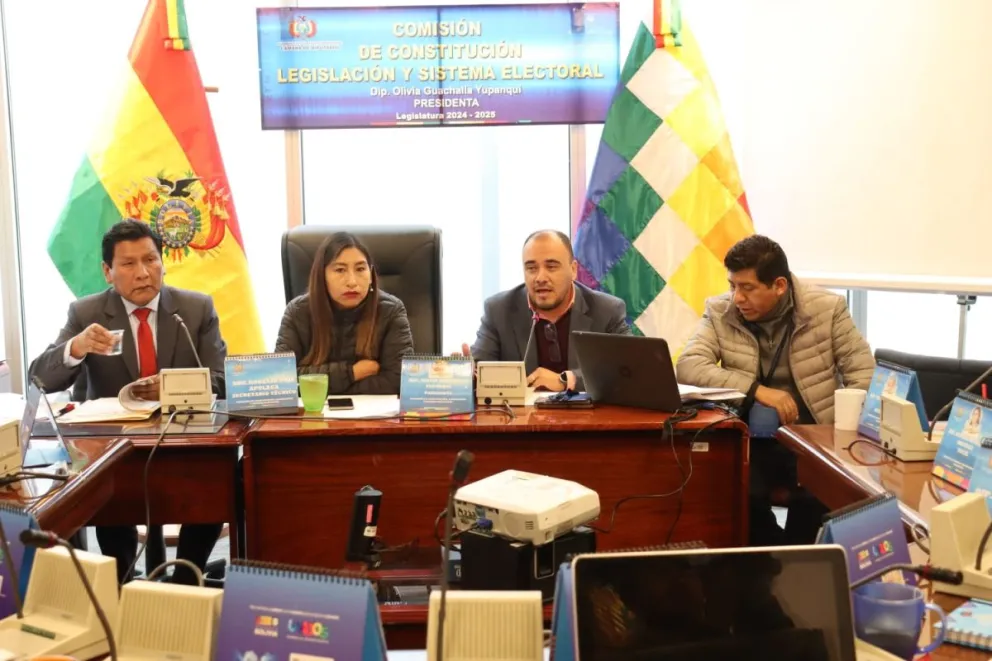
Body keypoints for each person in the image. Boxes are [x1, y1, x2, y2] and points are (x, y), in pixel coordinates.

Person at [29, 220, 227, 585]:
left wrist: (170, 387)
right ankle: (119, 580)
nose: (143, 273)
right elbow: (39, 378)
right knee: (106, 494)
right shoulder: (86, 315)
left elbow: (220, 380)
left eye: (151, 260)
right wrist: (76, 348)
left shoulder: (195, 309)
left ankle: (186, 576)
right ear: (108, 271)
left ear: (163, 262)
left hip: (185, 442)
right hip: (112, 448)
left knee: (215, 481)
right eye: (128, 264)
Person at [676, 234, 875, 545]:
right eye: (733, 286)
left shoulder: (827, 309)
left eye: (748, 288)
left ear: (779, 285)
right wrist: (757, 390)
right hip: (750, 441)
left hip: (814, 441)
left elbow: (864, 376)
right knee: (729, 493)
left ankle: (793, 563)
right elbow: (688, 365)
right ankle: (767, 563)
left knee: (813, 507)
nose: (737, 298)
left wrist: (842, 432)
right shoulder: (720, 311)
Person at [461, 230, 630, 392]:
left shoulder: (606, 311)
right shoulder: (499, 310)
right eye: (531, 268)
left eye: (551, 267)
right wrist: (465, 374)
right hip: (523, 420)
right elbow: (481, 369)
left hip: (587, 419)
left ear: (573, 270)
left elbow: (627, 370)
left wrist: (565, 380)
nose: (540, 278)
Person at [275, 232, 414, 393]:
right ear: (322, 276)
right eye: (340, 270)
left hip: (372, 415)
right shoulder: (298, 312)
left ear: (371, 275)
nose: (352, 282)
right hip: (313, 414)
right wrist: (352, 373)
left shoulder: (391, 310)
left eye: (361, 269)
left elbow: (398, 381)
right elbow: (282, 379)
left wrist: (320, 385)